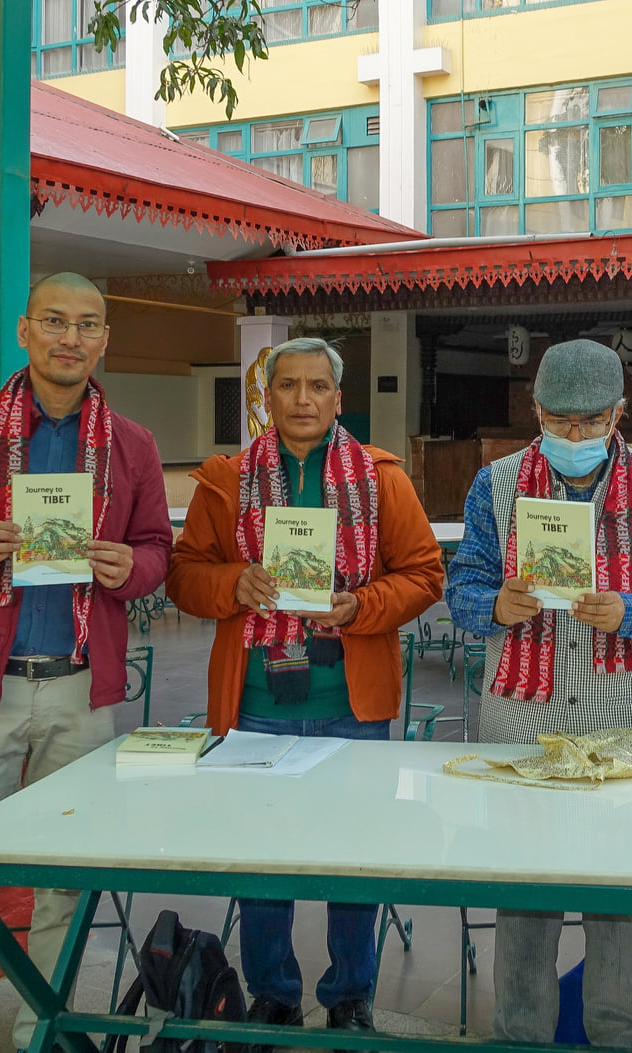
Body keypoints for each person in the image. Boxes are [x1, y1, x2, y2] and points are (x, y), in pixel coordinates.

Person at [0, 272, 173, 1053]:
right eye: (54, 320)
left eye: (87, 324)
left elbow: (157, 550)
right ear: (24, 331)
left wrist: (132, 568)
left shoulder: (131, 444)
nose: (69, 338)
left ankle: (41, 1029)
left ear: (104, 339)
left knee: (63, 875)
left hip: (81, 690)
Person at [165, 336, 444, 1045]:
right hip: (256, 704)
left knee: (355, 856)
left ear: (338, 398)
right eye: (287, 385)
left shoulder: (382, 478)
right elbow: (184, 575)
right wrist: (234, 582)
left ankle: (350, 995)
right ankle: (274, 994)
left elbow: (424, 574)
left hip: (352, 704)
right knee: (262, 857)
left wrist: (361, 605)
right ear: (267, 397)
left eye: (317, 386)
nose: (302, 399)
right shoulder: (226, 480)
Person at [446, 337, 632, 1051]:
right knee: (524, 905)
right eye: (559, 420)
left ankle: (621, 1036)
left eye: (590, 420)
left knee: (619, 905)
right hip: (520, 727)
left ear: (619, 413)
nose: (574, 434)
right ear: (536, 411)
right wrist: (495, 605)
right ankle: (520, 1034)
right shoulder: (496, 485)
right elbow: (461, 588)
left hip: (625, 725)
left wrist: (631, 611)